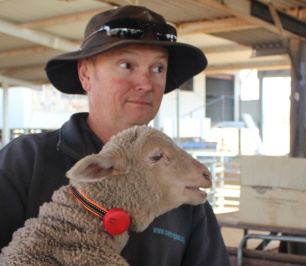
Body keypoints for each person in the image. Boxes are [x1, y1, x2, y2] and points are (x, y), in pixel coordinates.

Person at [0, 5, 230, 265]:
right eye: (126, 65)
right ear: (86, 74)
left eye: (157, 69)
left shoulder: (184, 187)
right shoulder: (26, 161)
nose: (146, 83)